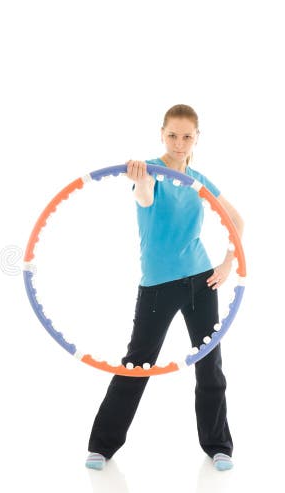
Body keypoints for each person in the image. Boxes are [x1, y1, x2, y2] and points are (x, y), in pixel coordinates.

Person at [85, 104, 243, 472]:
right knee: (137, 363)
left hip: (202, 280)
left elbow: (236, 220)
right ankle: (101, 446)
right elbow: (144, 197)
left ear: (196, 138)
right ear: (162, 133)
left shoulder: (200, 180)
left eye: (187, 136)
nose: (178, 142)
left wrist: (227, 264)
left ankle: (218, 446)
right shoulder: (149, 171)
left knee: (209, 365)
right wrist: (140, 179)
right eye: (172, 134)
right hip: (158, 286)